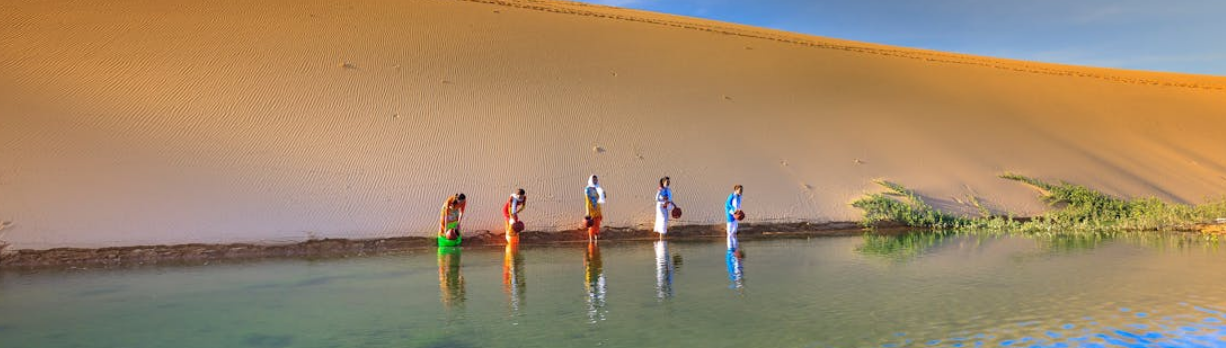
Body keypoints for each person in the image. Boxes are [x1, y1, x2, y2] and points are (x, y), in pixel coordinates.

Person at [584, 175, 607, 240]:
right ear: (591, 180)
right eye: (593, 180)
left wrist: (604, 194)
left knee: (597, 225)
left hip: (598, 209)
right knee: (592, 226)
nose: (595, 181)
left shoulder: (598, 188)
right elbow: (587, 201)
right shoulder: (587, 189)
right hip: (591, 210)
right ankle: (591, 240)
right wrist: (588, 212)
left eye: (596, 179)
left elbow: (603, 197)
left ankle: (596, 239)